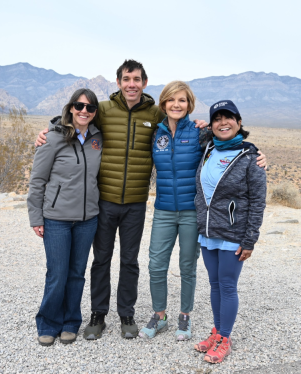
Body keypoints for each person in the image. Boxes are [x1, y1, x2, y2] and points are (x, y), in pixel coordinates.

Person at [34, 60, 265, 340]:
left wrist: (255, 151)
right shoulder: (106, 111)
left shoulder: (177, 123)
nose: (132, 84)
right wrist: (50, 130)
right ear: (118, 82)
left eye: (137, 79)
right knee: (105, 260)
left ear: (145, 83)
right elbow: (75, 120)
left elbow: (227, 140)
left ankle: (141, 314)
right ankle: (102, 315)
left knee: (141, 262)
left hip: (148, 204)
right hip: (114, 201)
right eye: (127, 79)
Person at [193, 100, 267, 363]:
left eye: (229, 118)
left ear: (239, 122)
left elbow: (258, 202)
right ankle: (217, 331)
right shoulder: (208, 148)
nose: (223, 123)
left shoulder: (250, 158)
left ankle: (225, 337)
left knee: (227, 285)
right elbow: (193, 130)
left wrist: (250, 240)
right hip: (208, 231)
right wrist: (200, 125)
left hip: (233, 235)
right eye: (217, 119)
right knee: (214, 284)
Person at [27, 88, 102, 346]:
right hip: (56, 218)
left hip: (88, 219)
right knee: (57, 273)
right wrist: (36, 217)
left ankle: (71, 322)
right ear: (71, 107)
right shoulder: (52, 138)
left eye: (90, 108)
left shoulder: (97, 138)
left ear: (94, 113)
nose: (84, 111)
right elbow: (37, 181)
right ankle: (48, 323)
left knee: (77, 273)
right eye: (79, 106)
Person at [138, 81, 203, 341]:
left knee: (187, 266)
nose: (177, 105)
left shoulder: (201, 133)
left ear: (189, 104)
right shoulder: (156, 133)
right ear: (163, 103)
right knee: (156, 265)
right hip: (164, 210)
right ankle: (160, 316)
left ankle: (184, 317)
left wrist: (256, 152)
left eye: (182, 100)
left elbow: (230, 143)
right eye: (171, 100)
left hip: (191, 212)